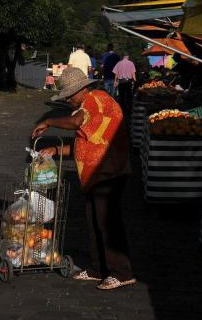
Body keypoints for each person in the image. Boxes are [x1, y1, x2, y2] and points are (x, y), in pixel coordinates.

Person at [31, 67, 135, 290]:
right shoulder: (90, 105)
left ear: (80, 89)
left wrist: (48, 122)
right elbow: (85, 141)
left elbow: (76, 122)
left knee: (107, 223)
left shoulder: (95, 99)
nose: (68, 100)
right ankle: (99, 269)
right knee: (94, 221)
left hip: (108, 171)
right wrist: (57, 151)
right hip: (96, 174)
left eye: (69, 96)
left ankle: (122, 272)